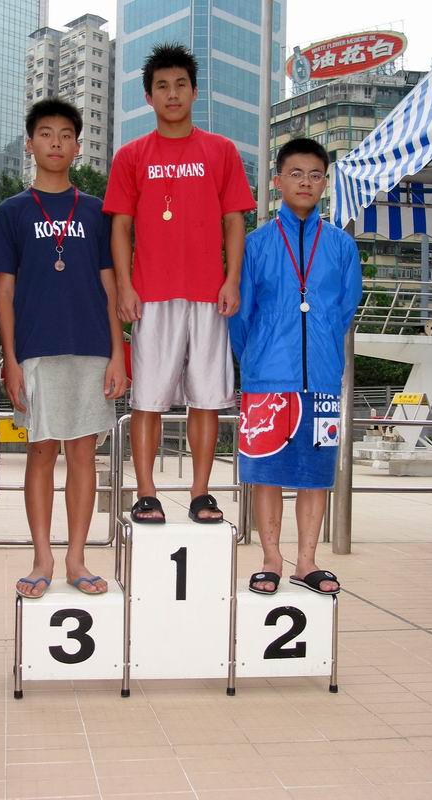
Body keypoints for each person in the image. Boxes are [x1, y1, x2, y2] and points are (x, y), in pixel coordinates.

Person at [103, 43, 255, 524]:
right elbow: (121, 226)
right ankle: (145, 492)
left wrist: (232, 279)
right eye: (162, 86)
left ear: (194, 91)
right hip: (151, 294)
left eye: (181, 85)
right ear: (149, 96)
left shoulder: (221, 150)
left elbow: (235, 221)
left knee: (207, 398)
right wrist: (125, 287)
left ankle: (200, 492)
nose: (172, 94)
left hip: (209, 294)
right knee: (147, 398)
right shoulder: (131, 155)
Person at [0, 98, 127, 599]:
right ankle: (42, 558)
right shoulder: (11, 212)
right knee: (41, 451)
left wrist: (118, 353)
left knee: (83, 453)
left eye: (65, 135)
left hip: (91, 347)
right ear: (30, 144)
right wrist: (10, 359)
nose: (56, 142)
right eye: (46, 134)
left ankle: (76, 558)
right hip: (35, 351)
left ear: (77, 146)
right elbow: (5, 290)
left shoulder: (96, 210)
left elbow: (111, 285)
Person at [229, 138, 363, 596]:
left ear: (325, 184)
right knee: (266, 473)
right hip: (267, 376)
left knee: (315, 475)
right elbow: (240, 316)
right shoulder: (256, 244)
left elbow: (344, 309)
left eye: (315, 175)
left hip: (321, 379)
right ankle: (271, 558)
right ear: (277, 181)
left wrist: (322, 348)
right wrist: (256, 359)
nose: (306, 182)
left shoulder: (341, 246)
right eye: (296, 174)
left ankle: (307, 561)